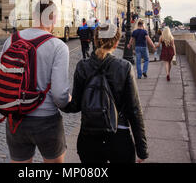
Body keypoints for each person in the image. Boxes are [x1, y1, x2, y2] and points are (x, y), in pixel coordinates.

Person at [0, 0, 71, 163]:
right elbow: (59, 96)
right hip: (47, 120)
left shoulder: (12, 40)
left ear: (34, 16)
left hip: (16, 119)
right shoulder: (58, 46)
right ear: (54, 18)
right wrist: (68, 99)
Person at [62, 23, 148, 163]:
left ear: (95, 40)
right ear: (115, 43)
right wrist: (142, 150)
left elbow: (75, 106)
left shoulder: (82, 66)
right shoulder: (124, 67)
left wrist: (61, 100)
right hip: (119, 137)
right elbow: (134, 110)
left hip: (88, 138)